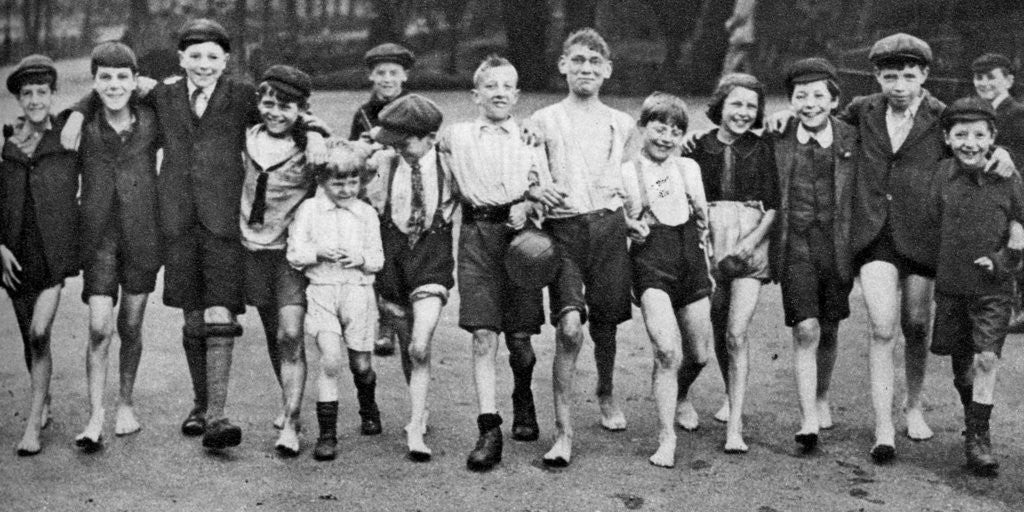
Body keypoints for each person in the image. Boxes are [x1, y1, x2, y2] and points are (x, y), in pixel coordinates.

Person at [60, 18, 328, 451]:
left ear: (225, 61)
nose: (204, 64)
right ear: (181, 58)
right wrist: (76, 111)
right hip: (177, 223)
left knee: (220, 312)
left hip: (224, 223)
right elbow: (110, 87)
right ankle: (201, 406)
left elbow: (287, 113)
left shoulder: (243, 96)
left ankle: (218, 416)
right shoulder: (163, 94)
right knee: (192, 317)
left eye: (212, 57)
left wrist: (313, 133)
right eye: (195, 56)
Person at [766, 33, 1015, 463]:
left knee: (916, 324)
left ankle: (912, 405)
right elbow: (820, 117)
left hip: (922, 235)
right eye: (890, 76)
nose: (899, 85)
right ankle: (883, 428)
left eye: (908, 76)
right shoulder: (862, 109)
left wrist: (1002, 152)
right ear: (877, 77)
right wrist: (788, 112)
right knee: (882, 328)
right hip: (874, 235)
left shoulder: (940, 115)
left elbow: (971, 141)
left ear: (924, 75)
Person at [438, 55, 564, 471]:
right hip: (476, 237)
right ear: (476, 94)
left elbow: (544, 190)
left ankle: (522, 392)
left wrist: (528, 203)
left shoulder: (529, 138)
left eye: (507, 86)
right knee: (483, 334)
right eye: (490, 86)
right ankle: (489, 429)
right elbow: (412, 139)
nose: (498, 93)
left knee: (520, 341)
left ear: (517, 95)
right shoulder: (456, 136)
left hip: (520, 241)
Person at [528, 28, 640, 467]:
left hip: (609, 229)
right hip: (564, 231)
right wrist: (537, 190)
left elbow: (633, 177)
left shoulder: (622, 123)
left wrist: (640, 215)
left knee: (606, 326)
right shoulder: (542, 120)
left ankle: (606, 391)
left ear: (607, 70)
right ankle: (563, 433)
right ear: (563, 66)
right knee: (570, 328)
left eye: (595, 62)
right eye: (577, 61)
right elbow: (530, 175)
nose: (586, 69)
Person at [928, 96, 1024, 476]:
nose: (970, 143)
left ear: (992, 137)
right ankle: (974, 416)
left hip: (993, 289)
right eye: (961, 135)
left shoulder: (1008, 176)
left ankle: (979, 438)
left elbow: (1021, 227)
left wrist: (1001, 260)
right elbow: (929, 222)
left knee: (987, 358)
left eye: (979, 135)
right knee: (963, 369)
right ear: (947, 138)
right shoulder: (940, 175)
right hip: (953, 287)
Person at [685, 73, 779, 453]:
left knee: (737, 332)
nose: (743, 112)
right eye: (736, 104)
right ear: (720, 106)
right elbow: (667, 184)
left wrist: (750, 243)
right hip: (706, 242)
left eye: (751, 106)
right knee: (714, 329)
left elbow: (775, 205)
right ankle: (687, 395)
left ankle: (735, 426)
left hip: (751, 241)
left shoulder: (764, 148)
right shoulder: (696, 146)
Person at [74, 42, 161, 450]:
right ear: (94, 82)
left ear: (135, 80)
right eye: (105, 77)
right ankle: (95, 415)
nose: (114, 85)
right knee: (98, 328)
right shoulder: (82, 124)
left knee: (130, 326)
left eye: (122, 77)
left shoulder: (153, 120)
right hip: (99, 238)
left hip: (142, 235)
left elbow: (181, 108)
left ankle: (126, 402)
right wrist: (79, 109)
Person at [623, 92, 714, 467]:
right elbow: (615, 221)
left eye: (675, 131)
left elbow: (700, 217)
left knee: (699, 356)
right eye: (659, 128)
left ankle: (681, 395)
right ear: (642, 127)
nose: (666, 137)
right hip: (651, 265)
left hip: (690, 262)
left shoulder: (688, 169)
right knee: (666, 352)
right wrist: (628, 226)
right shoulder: (627, 173)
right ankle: (666, 438)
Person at [771, 58, 856, 453]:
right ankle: (807, 419)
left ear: (834, 100)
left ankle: (822, 395)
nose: (810, 104)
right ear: (790, 101)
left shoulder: (852, 138)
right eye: (800, 96)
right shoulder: (778, 136)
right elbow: (730, 135)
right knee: (806, 328)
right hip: (796, 246)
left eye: (818, 96)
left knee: (830, 327)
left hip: (837, 247)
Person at [369, 93, 455, 461]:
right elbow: (340, 169)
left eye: (405, 143)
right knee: (409, 347)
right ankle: (420, 408)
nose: (398, 149)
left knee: (420, 344)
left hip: (431, 261)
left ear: (430, 138)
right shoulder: (385, 163)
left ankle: (415, 427)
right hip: (393, 264)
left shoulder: (451, 165)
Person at [1, 55, 79, 456]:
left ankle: (32, 428)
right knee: (28, 338)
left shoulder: (66, 137)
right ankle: (41, 398)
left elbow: (97, 103)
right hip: (14, 257)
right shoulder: (7, 145)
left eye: (42, 92)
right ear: (19, 99)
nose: (35, 100)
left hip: (53, 256)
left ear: (53, 94)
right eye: (27, 93)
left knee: (39, 333)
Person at [239, 64, 320, 455]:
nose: (275, 113)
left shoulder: (309, 149)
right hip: (252, 249)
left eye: (286, 107)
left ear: (301, 110)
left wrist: (316, 134)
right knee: (274, 333)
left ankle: (290, 423)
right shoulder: (246, 139)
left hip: (290, 256)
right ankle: (289, 403)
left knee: (290, 333)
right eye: (269, 104)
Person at [287, 141, 383, 462]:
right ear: (322, 180)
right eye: (338, 183)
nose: (346, 189)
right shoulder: (309, 210)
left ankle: (368, 405)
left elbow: (377, 259)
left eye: (353, 182)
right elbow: (295, 253)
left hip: (357, 293)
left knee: (361, 365)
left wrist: (360, 258)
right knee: (330, 359)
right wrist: (317, 252)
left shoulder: (366, 213)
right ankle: (327, 435)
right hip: (322, 291)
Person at [348, 42, 415, 357]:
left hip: (410, 192)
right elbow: (353, 158)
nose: (387, 79)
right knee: (380, 257)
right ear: (371, 76)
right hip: (375, 194)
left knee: (407, 257)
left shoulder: (414, 108)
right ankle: (386, 323)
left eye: (393, 72)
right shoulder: (363, 114)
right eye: (381, 73)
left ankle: (409, 316)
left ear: (404, 76)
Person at [972, 53, 1024, 164]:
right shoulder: (976, 112)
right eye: (979, 78)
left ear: (1008, 81)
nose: (984, 83)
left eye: (991, 77)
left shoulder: (1019, 114)